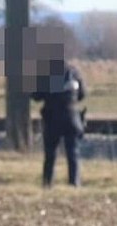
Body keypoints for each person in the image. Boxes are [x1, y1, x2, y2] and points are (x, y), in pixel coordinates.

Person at [33, 43, 88, 186]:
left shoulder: (46, 74)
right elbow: (83, 94)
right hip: (72, 117)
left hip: (52, 118)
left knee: (50, 154)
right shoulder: (74, 72)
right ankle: (74, 183)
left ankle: (47, 183)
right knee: (73, 153)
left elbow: (36, 96)